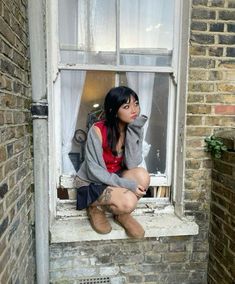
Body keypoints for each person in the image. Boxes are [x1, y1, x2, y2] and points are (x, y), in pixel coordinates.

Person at [75, 86, 150, 238]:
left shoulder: (133, 128)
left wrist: (134, 131)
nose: (134, 110)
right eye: (126, 106)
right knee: (129, 201)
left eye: (136, 103)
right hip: (92, 181)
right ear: (114, 110)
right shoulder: (97, 130)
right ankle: (94, 207)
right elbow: (94, 171)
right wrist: (129, 185)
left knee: (143, 176)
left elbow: (132, 163)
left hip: (113, 176)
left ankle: (121, 214)